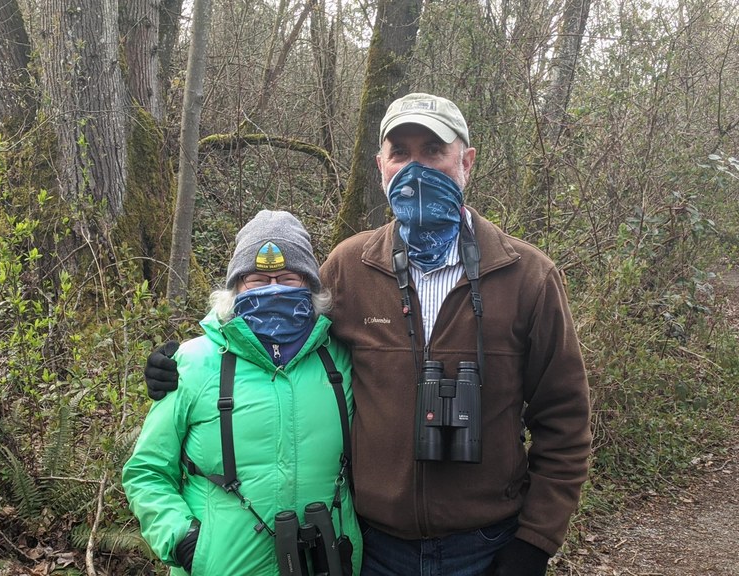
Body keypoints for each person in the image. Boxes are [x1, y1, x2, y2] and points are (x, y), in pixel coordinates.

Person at [145, 93, 592, 576]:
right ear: (381, 166)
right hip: (372, 546)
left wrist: (536, 540)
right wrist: (184, 361)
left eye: (433, 150)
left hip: (486, 543)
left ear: (466, 161)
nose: (415, 168)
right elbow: (275, 339)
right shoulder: (350, 268)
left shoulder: (528, 277)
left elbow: (564, 421)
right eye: (400, 153)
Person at [124, 210, 362, 576]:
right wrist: (185, 542)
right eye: (256, 279)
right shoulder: (193, 363)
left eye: (288, 278)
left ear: (311, 286)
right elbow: (147, 471)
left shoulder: (341, 361)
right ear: (235, 288)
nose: (273, 288)